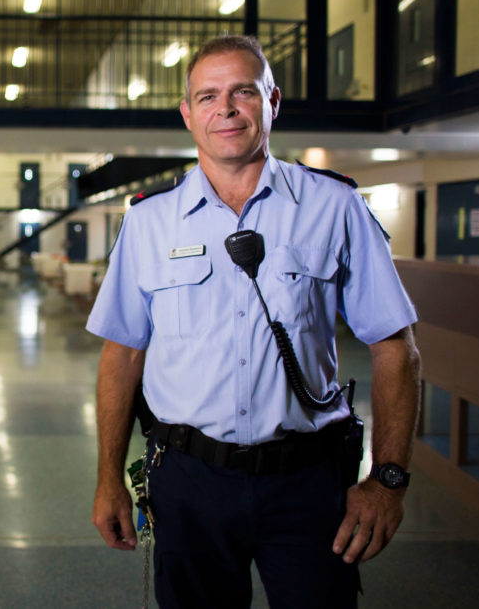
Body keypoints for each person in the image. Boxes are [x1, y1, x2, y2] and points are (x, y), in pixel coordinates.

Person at [86, 35, 421, 608]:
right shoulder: (149, 224)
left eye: (244, 91)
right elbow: (123, 355)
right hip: (189, 480)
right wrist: (108, 479)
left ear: (273, 101)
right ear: (188, 114)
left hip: (309, 482)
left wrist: (387, 480)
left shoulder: (335, 207)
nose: (227, 109)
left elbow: (396, 348)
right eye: (208, 96)